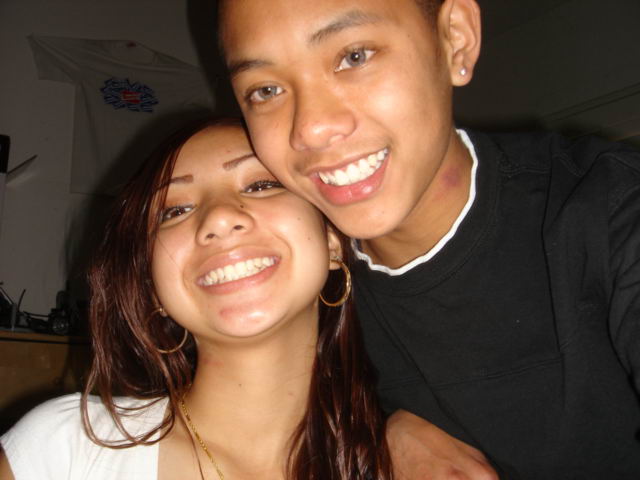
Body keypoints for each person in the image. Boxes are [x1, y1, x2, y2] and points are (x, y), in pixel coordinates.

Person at [218, 0, 640, 478]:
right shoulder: (293, 281)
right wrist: (379, 435)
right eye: (266, 90)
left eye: (354, 56)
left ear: (455, 38)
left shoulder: (609, 207)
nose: (312, 128)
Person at [0, 118, 393, 479]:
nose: (218, 218)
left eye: (260, 185)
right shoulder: (65, 452)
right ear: (151, 285)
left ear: (333, 242)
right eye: (175, 210)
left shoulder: (413, 459)